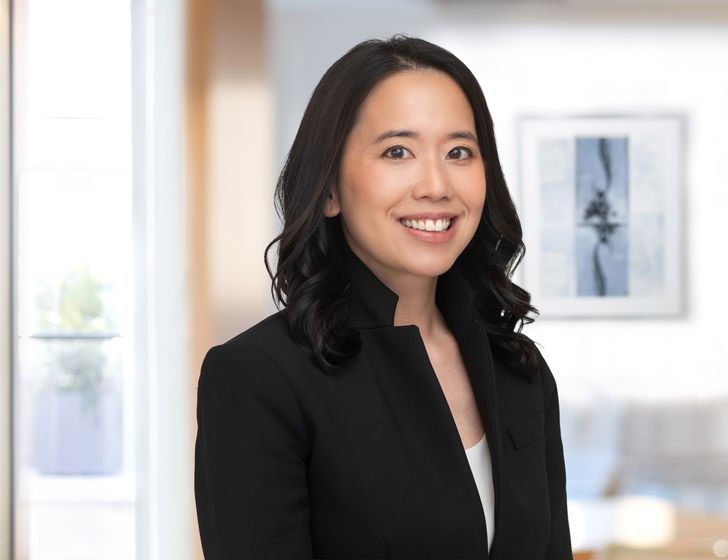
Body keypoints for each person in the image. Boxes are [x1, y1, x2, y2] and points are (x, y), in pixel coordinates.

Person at [194, 35, 572, 559]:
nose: (436, 185)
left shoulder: (517, 367)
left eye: (459, 152)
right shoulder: (258, 378)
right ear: (329, 189)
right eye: (398, 151)